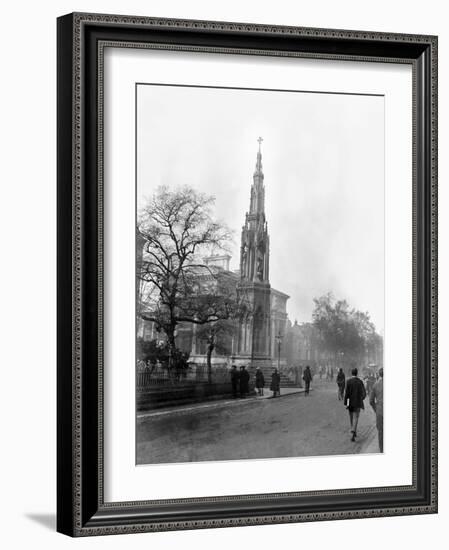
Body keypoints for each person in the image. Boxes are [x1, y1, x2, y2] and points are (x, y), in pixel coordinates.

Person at [344, 367, 367, 441]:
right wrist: (361, 399)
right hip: (357, 403)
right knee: (356, 417)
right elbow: (364, 393)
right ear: (357, 373)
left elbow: (346, 394)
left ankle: (353, 429)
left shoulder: (348, 381)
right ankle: (354, 430)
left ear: (352, 373)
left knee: (351, 416)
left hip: (350, 403)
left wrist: (347, 404)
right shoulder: (360, 381)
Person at [369, 367, 384, 452]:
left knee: (381, 432)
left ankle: (382, 450)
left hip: (380, 412)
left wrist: (376, 409)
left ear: (379, 374)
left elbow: (371, 401)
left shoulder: (375, 384)